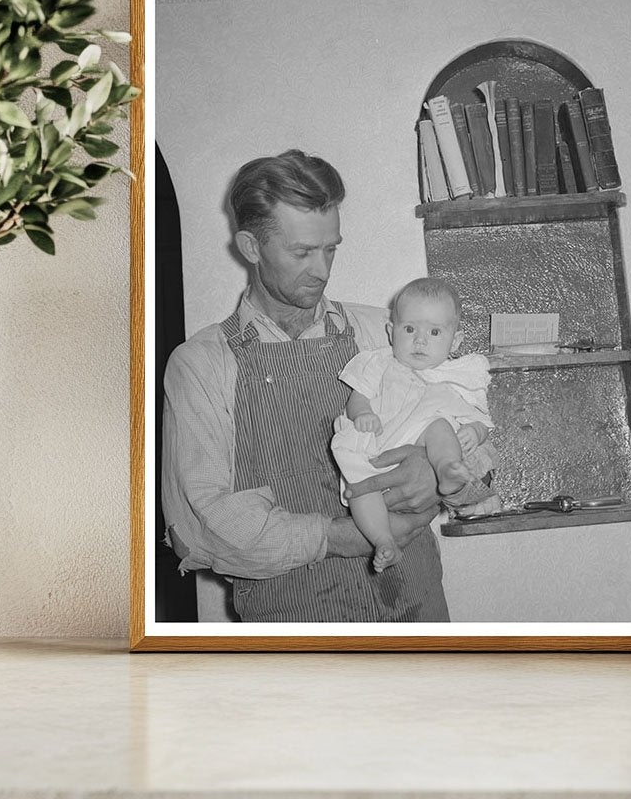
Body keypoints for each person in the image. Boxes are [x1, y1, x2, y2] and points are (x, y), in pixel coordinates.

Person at [160, 149, 456, 623]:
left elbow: (475, 438)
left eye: (330, 248)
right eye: (301, 252)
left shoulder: (385, 333)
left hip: (418, 615)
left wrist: (438, 476)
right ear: (251, 247)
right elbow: (198, 529)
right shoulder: (201, 365)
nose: (322, 270)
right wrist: (335, 537)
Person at [332, 276, 502, 572]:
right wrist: (362, 414)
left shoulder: (458, 376)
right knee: (359, 486)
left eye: (434, 332)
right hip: (378, 441)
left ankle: (447, 470)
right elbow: (358, 398)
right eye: (410, 329)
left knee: (439, 427)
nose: (420, 340)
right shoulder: (378, 362)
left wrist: (474, 433)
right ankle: (383, 540)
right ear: (391, 331)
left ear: (455, 341)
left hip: (422, 437)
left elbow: (481, 422)